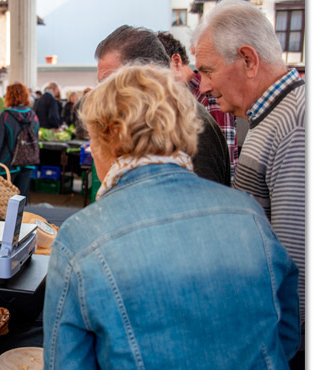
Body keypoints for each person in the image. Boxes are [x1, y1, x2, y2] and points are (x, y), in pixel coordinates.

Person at [43, 63, 300, 370]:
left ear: (106, 139)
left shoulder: (80, 237)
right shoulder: (250, 214)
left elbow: (66, 363)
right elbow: (285, 334)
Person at [191, 1, 306, 366]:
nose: (205, 87)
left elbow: (294, 268)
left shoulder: (294, 126)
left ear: (248, 60)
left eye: (208, 72)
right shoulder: (268, 116)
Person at [95, 25, 230, 186]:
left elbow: (203, 202)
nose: (106, 95)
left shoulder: (191, 123)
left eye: (112, 83)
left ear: (150, 74)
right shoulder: (148, 123)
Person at [157, 31, 238, 181]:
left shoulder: (210, 95)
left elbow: (222, 161)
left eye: (157, 74)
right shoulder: (179, 99)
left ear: (176, 61)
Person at [0, 82, 40, 196]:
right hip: (28, 163)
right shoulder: (33, 115)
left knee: (4, 201)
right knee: (20, 200)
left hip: (7, 164)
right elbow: (36, 139)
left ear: (9, 96)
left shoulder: (6, 115)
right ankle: (20, 215)